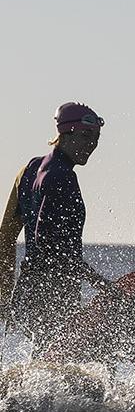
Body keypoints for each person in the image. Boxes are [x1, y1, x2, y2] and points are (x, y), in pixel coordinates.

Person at [0, 102, 112, 352]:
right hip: (54, 292)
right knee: (84, 361)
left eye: (95, 139)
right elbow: (49, 246)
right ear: (64, 133)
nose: (91, 145)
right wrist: (100, 283)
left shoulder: (28, 170)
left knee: (45, 362)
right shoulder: (63, 177)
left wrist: (5, 296)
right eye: (85, 136)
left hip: (28, 291)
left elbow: (5, 237)